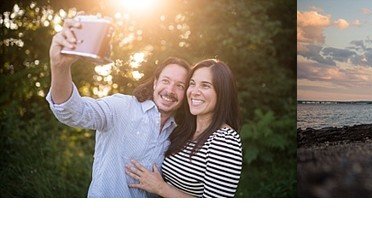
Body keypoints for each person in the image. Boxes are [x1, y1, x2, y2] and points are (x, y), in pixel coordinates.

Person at [47, 19, 191, 197]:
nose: (170, 90)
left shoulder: (182, 133)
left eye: (180, 86)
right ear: (155, 83)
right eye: (166, 81)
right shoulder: (121, 107)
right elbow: (73, 112)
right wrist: (60, 67)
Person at [126, 59, 244, 198]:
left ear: (222, 92)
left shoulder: (225, 140)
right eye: (192, 84)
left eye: (205, 86)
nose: (194, 92)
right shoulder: (184, 131)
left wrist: (161, 188)